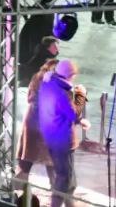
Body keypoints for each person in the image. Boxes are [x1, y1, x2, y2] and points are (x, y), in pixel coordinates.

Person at [38, 59, 80, 207]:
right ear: (69, 75)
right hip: (62, 140)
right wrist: (80, 96)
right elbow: (73, 114)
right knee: (64, 178)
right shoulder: (62, 92)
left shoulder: (47, 84)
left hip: (51, 137)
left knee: (69, 179)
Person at [15, 59, 58, 186]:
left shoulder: (37, 78)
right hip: (42, 122)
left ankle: (19, 185)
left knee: (29, 156)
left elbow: (30, 98)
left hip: (35, 120)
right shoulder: (51, 81)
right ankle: (56, 188)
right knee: (51, 158)